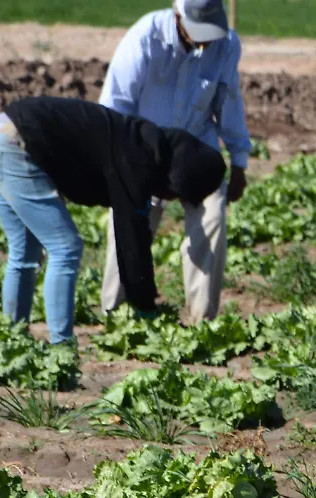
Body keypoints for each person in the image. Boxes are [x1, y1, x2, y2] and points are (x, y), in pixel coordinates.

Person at [0, 97, 227, 346]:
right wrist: (145, 306)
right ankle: (61, 349)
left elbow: (132, 232)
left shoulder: (140, 141)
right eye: (176, 194)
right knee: (66, 247)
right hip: (15, 144)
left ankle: (12, 340)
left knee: (25, 251)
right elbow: (132, 237)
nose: (168, 198)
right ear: (177, 177)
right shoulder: (137, 160)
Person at [99, 0, 250, 323]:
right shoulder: (146, 37)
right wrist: (118, 166)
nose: (206, 40)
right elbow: (115, 104)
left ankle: (202, 320)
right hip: (142, 147)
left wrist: (239, 161)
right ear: (178, 15)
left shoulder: (227, 45)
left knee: (212, 216)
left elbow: (229, 103)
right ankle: (117, 315)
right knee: (129, 225)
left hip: (196, 149)